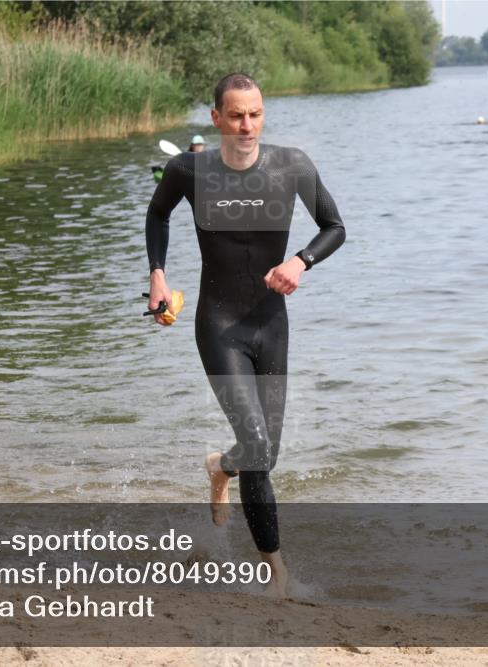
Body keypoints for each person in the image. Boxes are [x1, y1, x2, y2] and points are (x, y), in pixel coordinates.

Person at [144, 72, 345, 598]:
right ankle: (277, 575)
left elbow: (334, 227)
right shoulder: (189, 170)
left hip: (270, 325)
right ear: (216, 118)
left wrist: (301, 261)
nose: (246, 125)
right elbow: (158, 213)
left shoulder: (291, 165)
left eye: (254, 114)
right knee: (256, 444)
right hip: (219, 325)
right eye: (235, 115)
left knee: (263, 456)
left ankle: (220, 467)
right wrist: (158, 275)